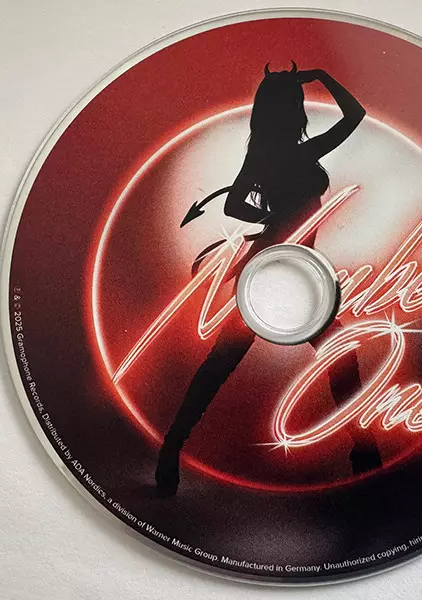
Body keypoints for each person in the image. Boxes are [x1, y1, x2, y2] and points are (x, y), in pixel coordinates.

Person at [155, 63, 382, 496]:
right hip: (287, 272)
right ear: (291, 110)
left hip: (285, 269)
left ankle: (172, 446)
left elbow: (234, 205)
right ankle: (364, 450)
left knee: (221, 365)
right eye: (296, 102)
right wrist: (321, 76)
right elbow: (355, 115)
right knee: (330, 354)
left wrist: (270, 219)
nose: (300, 109)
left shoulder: (262, 154)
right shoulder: (302, 154)